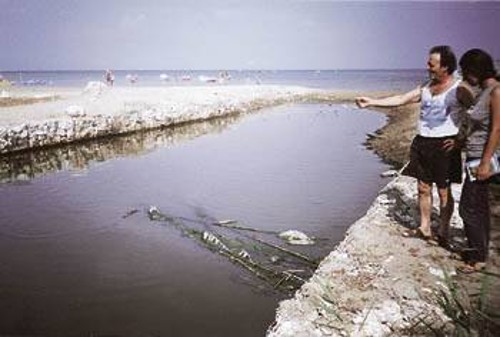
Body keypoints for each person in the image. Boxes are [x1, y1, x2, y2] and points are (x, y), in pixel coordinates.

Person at [356, 45, 474, 246]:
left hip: (444, 145)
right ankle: (424, 227)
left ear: (445, 67)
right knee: (422, 188)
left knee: (444, 191)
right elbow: (401, 99)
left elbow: (476, 115)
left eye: (432, 64)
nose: (427, 66)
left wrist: (460, 140)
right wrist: (371, 102)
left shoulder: (459, 89)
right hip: (422, 142)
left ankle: (444, 231)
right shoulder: (425, 87)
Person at [457, 49, 500, 273]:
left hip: (482, 158)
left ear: (476, 70)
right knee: (480, 206)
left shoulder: (495, 91)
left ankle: (478, 257)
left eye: (466, 71)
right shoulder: (482, 91)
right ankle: (481, 253)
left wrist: (485, 162)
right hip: (474, 155)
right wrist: (458, 142)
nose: (465, 76)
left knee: (468, 208)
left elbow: (497, 129)